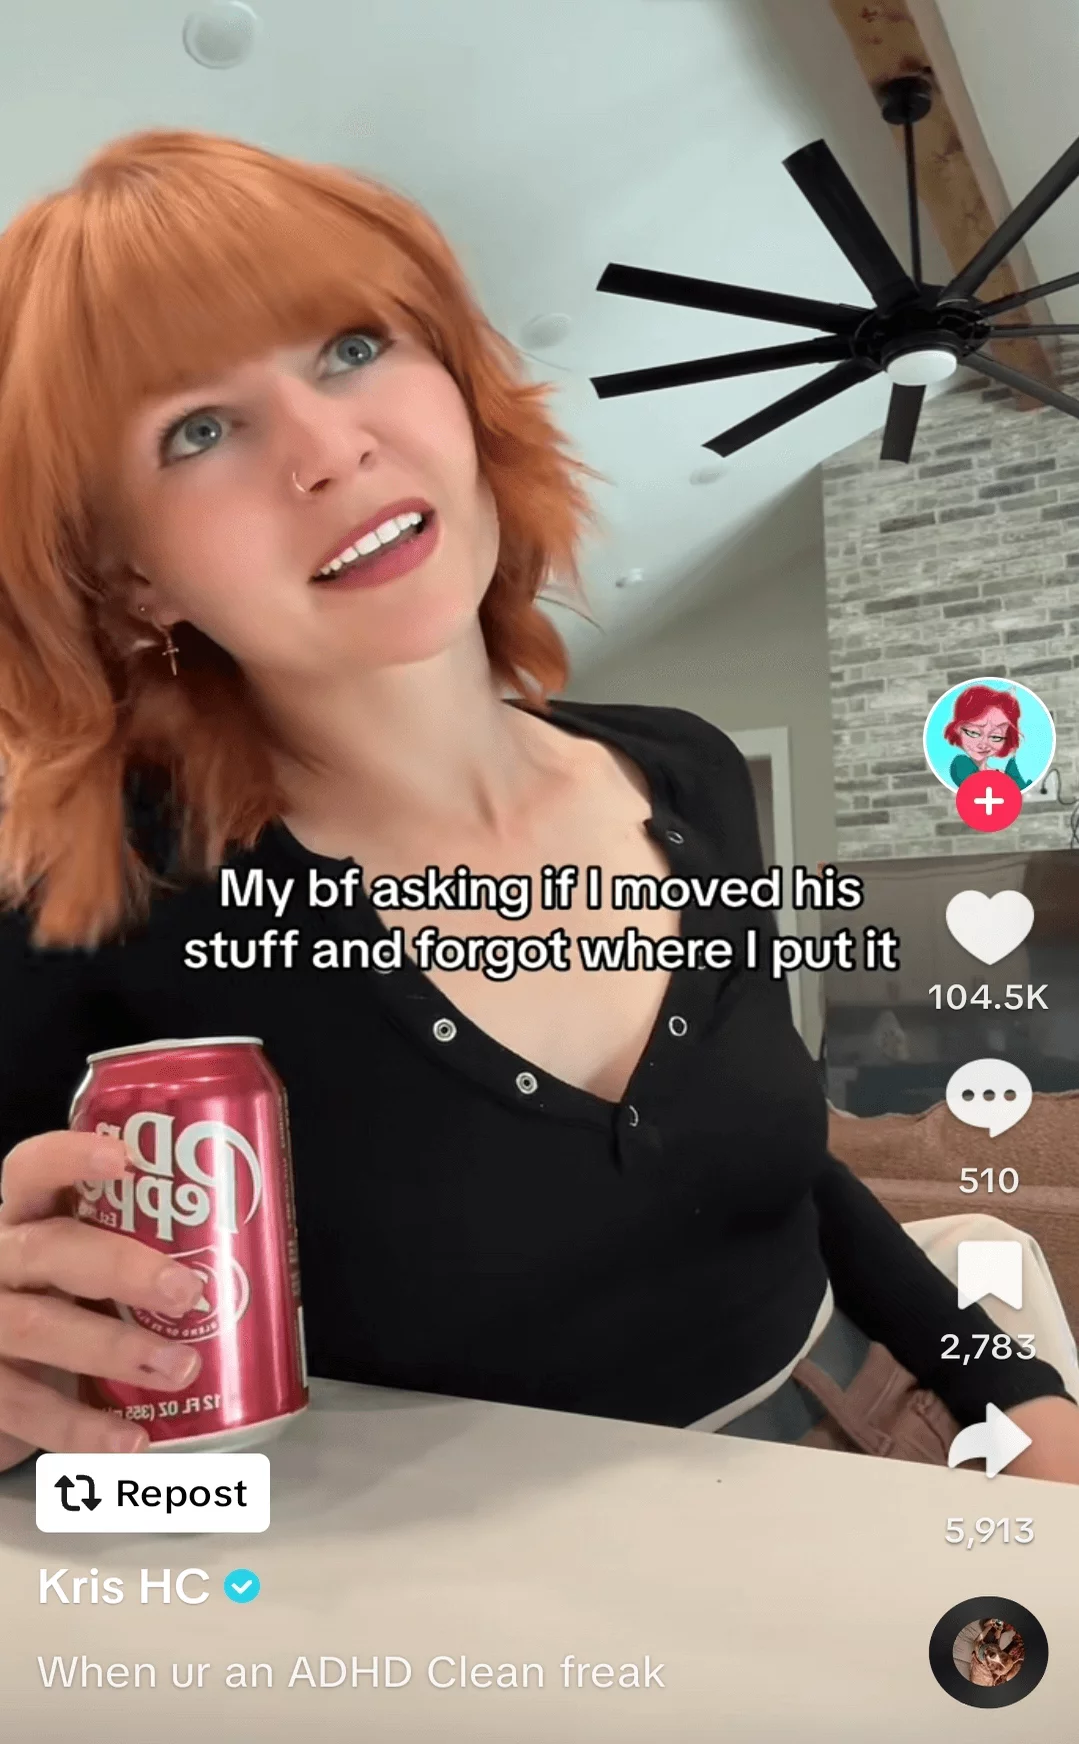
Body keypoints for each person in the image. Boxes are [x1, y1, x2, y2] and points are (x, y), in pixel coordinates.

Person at [1, 129, 1078, 1482]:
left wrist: (1023, 1400)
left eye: (349, 346)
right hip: (474, 1606)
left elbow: (788, 1179)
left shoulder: (682, 775)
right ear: (132, 578)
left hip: (876, 1438)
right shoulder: (90, 903)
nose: (330, 449)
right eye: (197, 431)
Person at [943, 684, 1030, 789]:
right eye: (974, 733)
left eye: (995, 737)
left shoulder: (1005, 772)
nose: (983, 744)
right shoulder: (961, 765)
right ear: (958, 728)